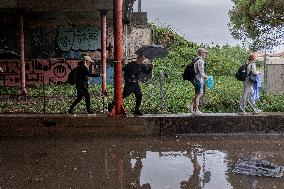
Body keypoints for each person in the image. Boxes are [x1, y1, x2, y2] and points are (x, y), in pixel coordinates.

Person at [187, 48, 208, 115]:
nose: (206, 54)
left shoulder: (195, 59)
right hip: (198, 79)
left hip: (194, 78)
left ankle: (190, 105)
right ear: (201, 53)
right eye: (205, 53)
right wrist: (206, 77)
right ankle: (196, 110)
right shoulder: (200, 61)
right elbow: (201, 73)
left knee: (197, 94)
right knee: (199, 94)